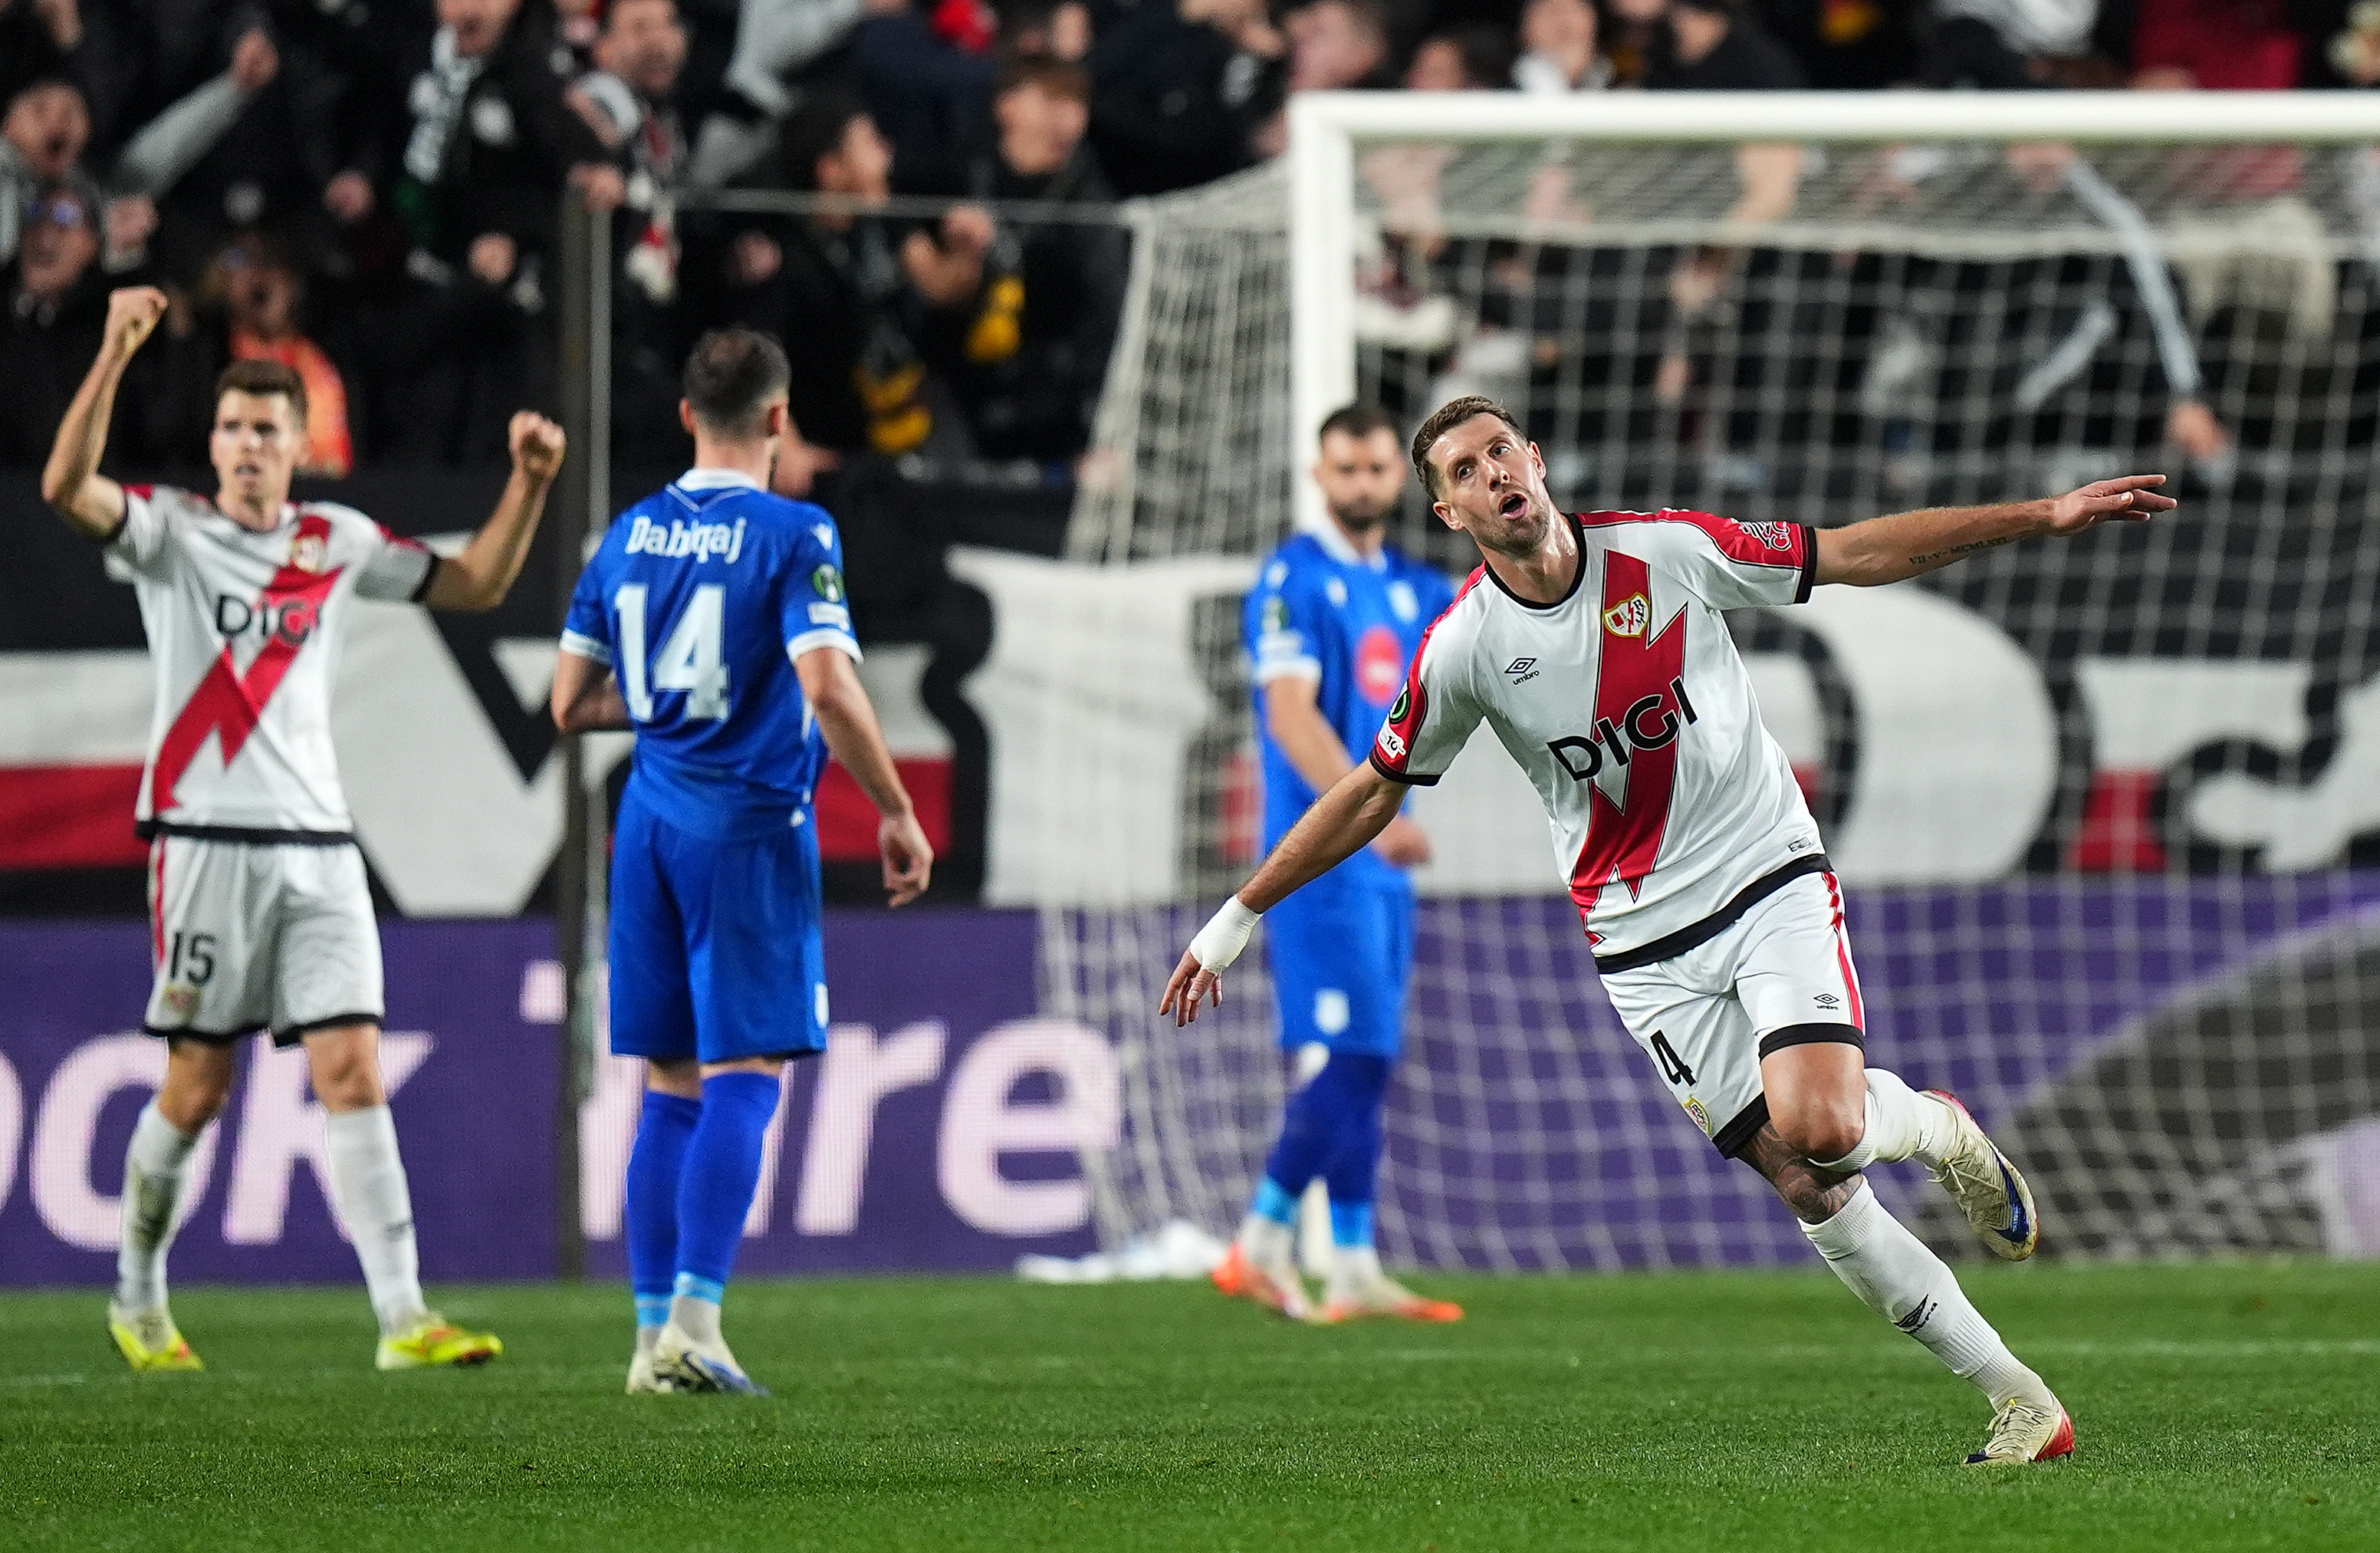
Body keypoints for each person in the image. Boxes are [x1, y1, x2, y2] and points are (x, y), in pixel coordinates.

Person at [1165, 394, 2180, 1466]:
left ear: (1537, 460)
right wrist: (1237, 915)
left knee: (1826, 1124)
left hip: (1763, 876)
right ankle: (2022, 1401)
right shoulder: (1462, 647)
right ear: (1452, 512)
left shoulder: (1668, 552)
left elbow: (1854, 552)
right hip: (1641, 946)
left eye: (1501, 450)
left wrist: (2043, 514)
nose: (1493, 473)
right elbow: (1373, 790)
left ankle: (1934, 1129)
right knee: (1809, 1184)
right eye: (1464, 470)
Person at [42, 285, 567, 1374]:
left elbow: (472, 583)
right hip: (204, 843)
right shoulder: (173, 535)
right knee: (198, 1086)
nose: (244, 447)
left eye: (265, 431)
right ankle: (138, 1296)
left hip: (322, 847)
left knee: (354, 1069)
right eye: (231, 428)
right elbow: (63, 487)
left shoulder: (335, 540)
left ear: (297, 447)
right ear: (213, 442)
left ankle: (403, 1317)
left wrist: (526, 484)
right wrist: (112, 353)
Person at [551, 327, 934, 1396]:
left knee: (668, 1084)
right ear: (777, 418)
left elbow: (570, 703)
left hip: (648, 825)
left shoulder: (623, 537)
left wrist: (680, 700)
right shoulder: (794, 529)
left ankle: (645, 1344)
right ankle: (698, 1323)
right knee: (747, 1075)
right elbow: (826, 685)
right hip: (752, 822)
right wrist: (896, 810)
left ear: (686, 416)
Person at [1212, 405, 1460, 1324]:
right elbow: (1288, 715)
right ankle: (1261, 1243)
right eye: (1342, 469)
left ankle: (1352, 1264)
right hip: (1320, 859)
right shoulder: (1290, 578)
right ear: (1318, 477)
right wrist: (1375, 815)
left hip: (1381, 865)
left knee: (1373, 1056)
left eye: (1373, 469)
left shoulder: (1409, 585)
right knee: (1354, 1056)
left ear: (1398, 481)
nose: (1359, 485)